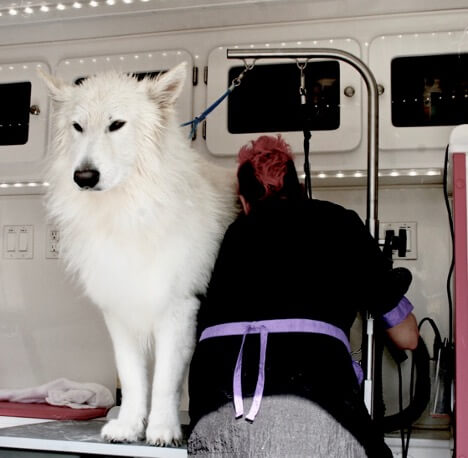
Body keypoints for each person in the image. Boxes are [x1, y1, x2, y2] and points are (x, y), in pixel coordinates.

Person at [187, 135, 419, 457]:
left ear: (243, 201)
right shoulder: (338, 221)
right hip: (312, 406)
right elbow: (407, 337)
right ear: (301, 186)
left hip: (217, 412)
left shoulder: (232, 236)